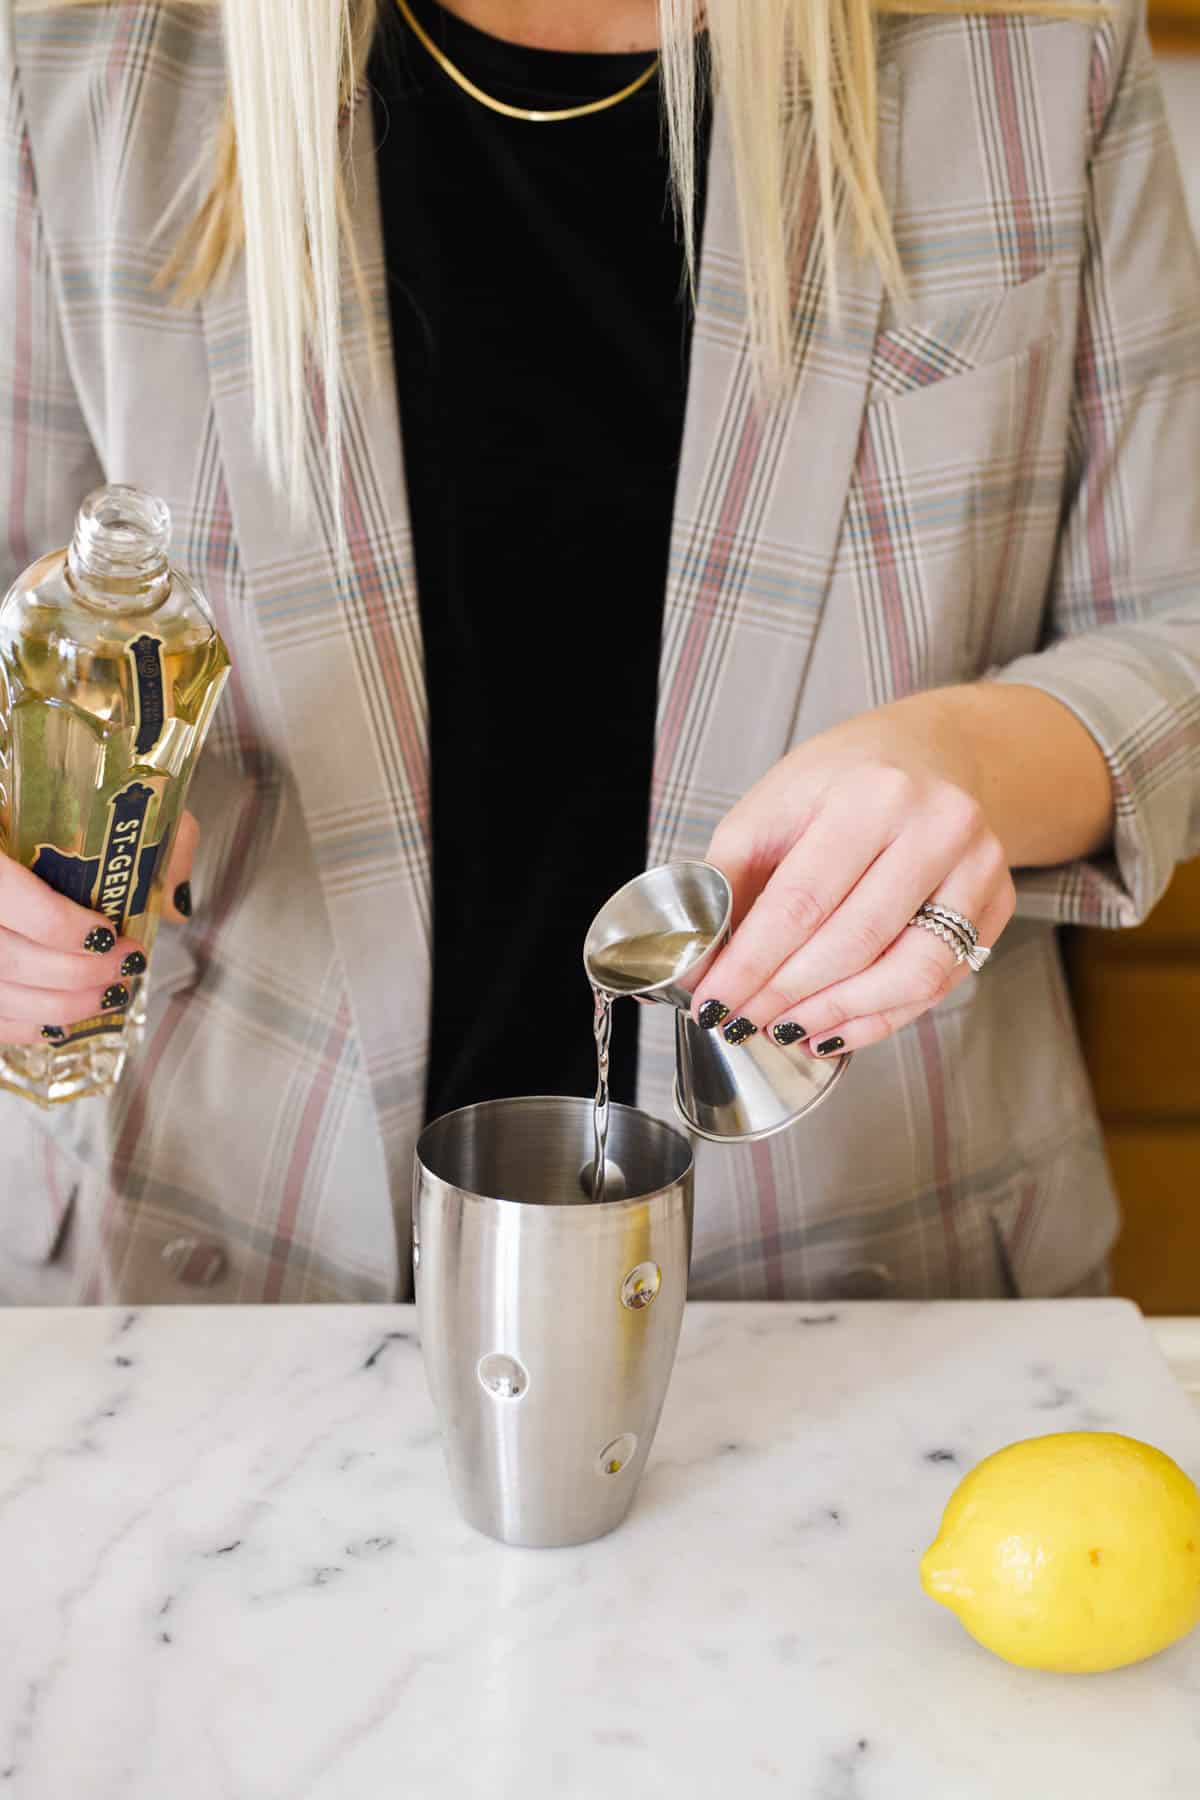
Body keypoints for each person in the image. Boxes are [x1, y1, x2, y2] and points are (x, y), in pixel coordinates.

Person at [0, 0, 1197, 1304]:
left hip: (870, 1263)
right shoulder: (71, 49)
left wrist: (961, 758)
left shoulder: (1031, 38)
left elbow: (1177, 625)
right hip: (223, 1279)